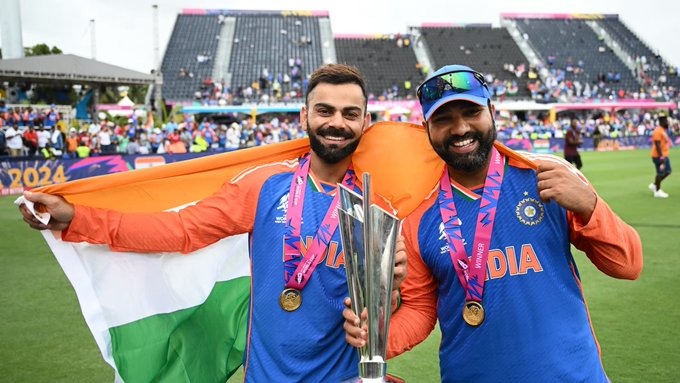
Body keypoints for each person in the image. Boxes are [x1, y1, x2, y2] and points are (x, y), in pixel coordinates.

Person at [19, 63, 406, 383]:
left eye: (350, 113)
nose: (336, 122)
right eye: (325, 110)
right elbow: (180, 231)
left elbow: (398, 304)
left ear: (365, 122)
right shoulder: (265, 184)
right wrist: (79, 217)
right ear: (304, 115)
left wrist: (390, 296)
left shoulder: (377, 209)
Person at [343, 64, 643, 382]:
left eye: (471, 112)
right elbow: (420, 309)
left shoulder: (546, 175)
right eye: (443, 119)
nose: (460, 129)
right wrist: (373, 338)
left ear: (492, 110)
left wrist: (591, 207)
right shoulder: (418, 212)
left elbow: (627, 264)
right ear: (426, 127)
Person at [648, 115, 672, 198]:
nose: (667, 123)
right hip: (659, 156)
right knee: (660, 173)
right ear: (662, 122)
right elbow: (657, 144)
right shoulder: (658, 131)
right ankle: (657, 191)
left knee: (668, 171)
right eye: (666, 121)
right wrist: (661, 157)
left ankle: (655, 185)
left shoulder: (663, 130)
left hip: (664, 155)